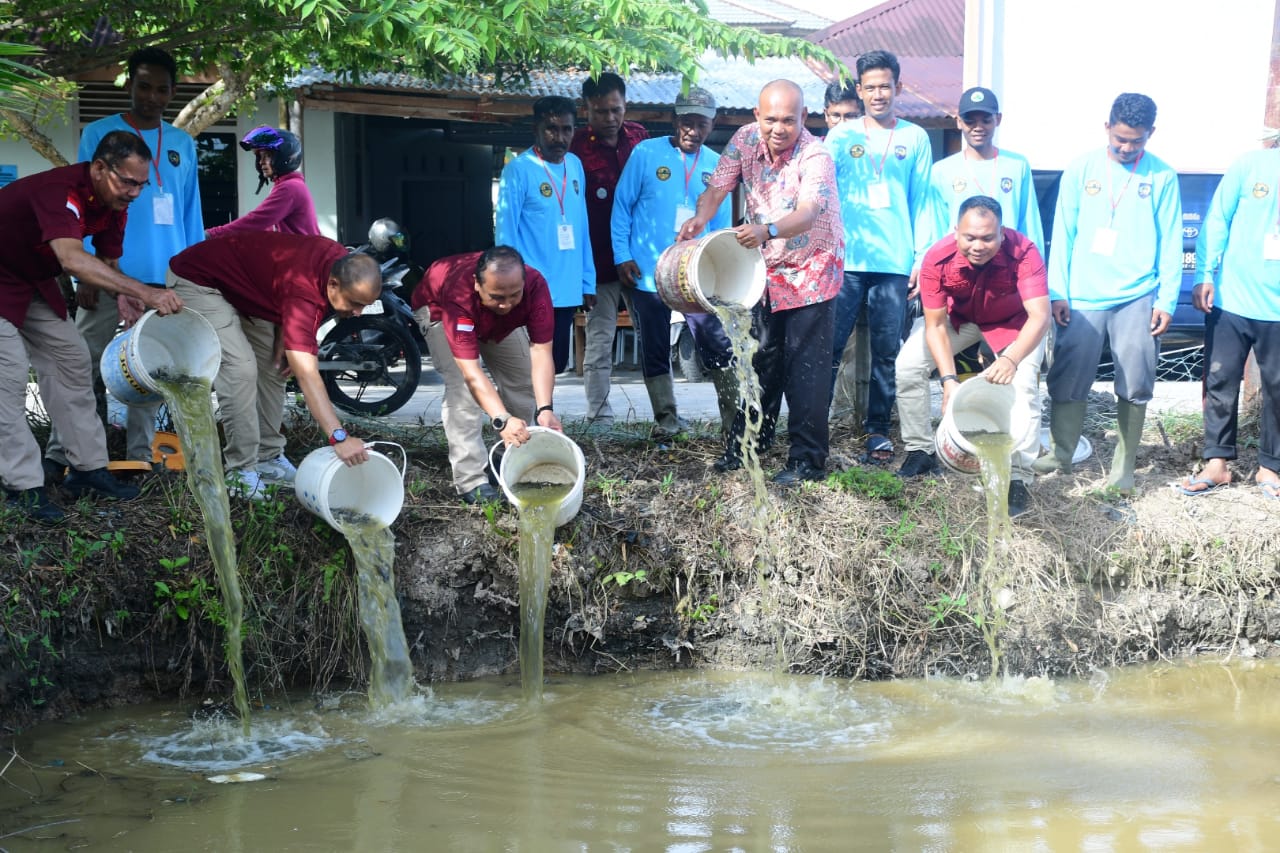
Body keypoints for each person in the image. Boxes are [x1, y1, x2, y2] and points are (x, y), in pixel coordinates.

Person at [0, 131, 185, 523]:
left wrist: (122, 294)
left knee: (72, 360)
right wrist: (146, 293)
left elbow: (106, 261)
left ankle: (87, 470)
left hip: (31, 280)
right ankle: (22, 488)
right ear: (99, 168)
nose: (135, 192)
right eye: (128, 182)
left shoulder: (113, 203)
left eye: (141, 184)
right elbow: (71, 259)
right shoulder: (60, 190)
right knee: (8, 376)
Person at [45, 46, 204, 476]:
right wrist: (89, 276)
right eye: (143, 86)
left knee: (152, 367)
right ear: (129, 84)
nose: (152, 96)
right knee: (81, 362)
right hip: (105, 269)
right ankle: (64, 455)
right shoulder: (99, 133)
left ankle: (140, 455)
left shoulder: (182, 143)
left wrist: (188, 276)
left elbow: (191, 214)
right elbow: (80, 201)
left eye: (161, 89)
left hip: (164, 275)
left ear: (172, 92)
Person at [678, 79, 844, 485]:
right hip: (766, 269)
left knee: (805, 367)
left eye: (789, 120)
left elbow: (808, 211)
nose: (779, 128)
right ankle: (749, 443)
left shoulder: (816, 153)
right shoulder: (744, 139)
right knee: (759, 358)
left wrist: (767, 229)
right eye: (771, 119)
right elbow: (718, 187)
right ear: (757, 115)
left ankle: (807, 461)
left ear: (804, 118)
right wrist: (701, 218)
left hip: (812, 270)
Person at [1036, 93, 1182, 493]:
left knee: (1136, 377)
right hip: (1082, 295)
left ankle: (1123, 468)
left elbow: (1171, 242)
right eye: (1120, 138)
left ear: (1150, 134)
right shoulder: (1082, 168)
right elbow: (1062, 233)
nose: (1126, 147)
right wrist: (1057, 291)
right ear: (1107, 128)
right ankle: (1061, 453)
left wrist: (1167, 300)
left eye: (1136, 141)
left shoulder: (1162, 177)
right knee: (1068, 374)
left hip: (1137, 294)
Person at [166, 233, 380, 499]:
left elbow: (280, 279)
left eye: (365, 306)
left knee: (275, 367)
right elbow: (308, 374)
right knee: (241, 370)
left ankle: (268, 459)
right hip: (199, 281)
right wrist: (339, 438)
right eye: (355, 304)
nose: (358, 313)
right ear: (333, 284)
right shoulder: (306, 295)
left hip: (246, 289)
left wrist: (283, 330)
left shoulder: (337, 263)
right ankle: (240, 470)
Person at [894, 196, 1050, 515]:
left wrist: (1011, 359)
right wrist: (948, 379)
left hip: (1013, 324)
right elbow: (935, 325)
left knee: (1024, 387)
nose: (978, 245)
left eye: (987, 238)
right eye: (970, 237)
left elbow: (1040, 316)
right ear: (956, 232)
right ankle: (919, 451)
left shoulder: (1025, 252)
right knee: (908, 364)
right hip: (960, 321)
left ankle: (1018, 476)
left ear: (1002, 234)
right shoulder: (937, 258)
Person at [825, 50, 935, 464]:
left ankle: (876, 429)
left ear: (898, 88)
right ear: (859, 90)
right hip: (847, 262)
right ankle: (817, 426)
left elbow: (923, 203)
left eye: (885, 86)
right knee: (832, 346)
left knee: (887, 351)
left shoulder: (916, 138)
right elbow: (824, 197)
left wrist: (920, 259)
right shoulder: (841, 136)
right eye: (869, 87)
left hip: (894, 264)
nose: (878, 94)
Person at [611, 87, 736, 442]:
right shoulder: (645, 153)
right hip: (647, 273)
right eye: (687, 122)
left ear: (712, 125)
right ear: (673, 120)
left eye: (702, 124)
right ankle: (667, 422)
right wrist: (622, 255)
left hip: (695, 275)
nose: (693, 131)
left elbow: (721, 228)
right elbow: (622, 207)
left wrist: (719, 272)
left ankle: (732, 426)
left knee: (715, 343)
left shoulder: (717, 165)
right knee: (654, 345)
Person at [411, 247, 563, 503]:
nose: (505, 304)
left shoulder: (536, 285)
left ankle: (507, 457)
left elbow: (541, 353)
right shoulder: (460, 293)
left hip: (494, 322)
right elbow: (471, 373)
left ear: (524, 283)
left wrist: (545, 408)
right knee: (463, 392)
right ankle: (472, 480)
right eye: (497, 296)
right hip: (439, 308)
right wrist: (501, 419)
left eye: (514, 295)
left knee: (523, 378)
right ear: (477, 285)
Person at [1178, 145, 1280, 497]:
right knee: (1220, 380)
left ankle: (1270, 468)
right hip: (1233, 297)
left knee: (1278, 389)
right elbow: (1217, 219)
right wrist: (1204, 274)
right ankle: (1217, 464)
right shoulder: (1250, 164)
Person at [496, 96, 595, 375]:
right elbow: (505, 235)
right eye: (552, 129)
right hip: (531, 288)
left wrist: (588, 281)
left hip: (567, 288)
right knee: (531, 365)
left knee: (558, 363)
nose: (560, 137)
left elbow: (582, 225)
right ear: (535, 129)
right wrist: (511, 285)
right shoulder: (518, 169)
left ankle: (543, 415)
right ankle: (528, 416)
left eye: (567, 129)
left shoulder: (574, 166)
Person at [571, 72, 649, 426]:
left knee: (652, 336)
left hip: (640, 260)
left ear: (625, 106)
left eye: (615, 110)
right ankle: (599, 416)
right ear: (585, 109)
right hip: (599, 262)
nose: (609, 118)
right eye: (600, 111)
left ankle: (661, 413)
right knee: (600, 341)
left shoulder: (639, 137)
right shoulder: (573, 146)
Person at [930, 87, 1044, 251]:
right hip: (959, 265)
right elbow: (937, 230)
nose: (978, 127)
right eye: (970, 121)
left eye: (986, 120)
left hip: (1008, 263)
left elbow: (1029, 223)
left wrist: (1035, 267)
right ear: (958, 121)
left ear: (998, 119)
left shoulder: (1017, 165)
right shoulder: (941, 170)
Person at [206, 126, 319, 237]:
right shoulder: (287, 185)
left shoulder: (290, 187)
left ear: (284, 157)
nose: (261, 162)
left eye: (268, 156)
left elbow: (256, 221)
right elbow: (267, 227)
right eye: (260, 156)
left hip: (306, 254)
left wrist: (211, 234)